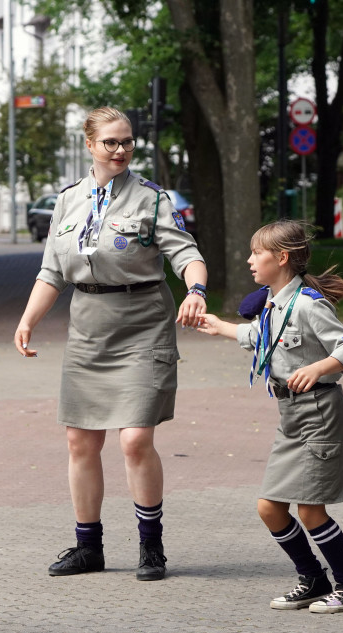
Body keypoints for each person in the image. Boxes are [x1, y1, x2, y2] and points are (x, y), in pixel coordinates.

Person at [14, 106, 207, 581]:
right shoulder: (69, 199)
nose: (121, 150)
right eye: (110, 143)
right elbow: (52, 272)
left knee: (136, 438)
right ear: (90, 146)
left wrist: (196, 290)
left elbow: (187, 255)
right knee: (80, 441)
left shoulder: (153, 199)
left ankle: (151, 544)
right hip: (88, 326)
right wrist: (28, 320)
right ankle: (88, 547)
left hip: (143, 320)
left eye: (127, 142)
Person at [196, 220, 343, 614]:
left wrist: (320, 367)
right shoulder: (274, 302)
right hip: (289, 416)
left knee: (310, 508)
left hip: (319, 414)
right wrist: (220, 327)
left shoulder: (308, 304)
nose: (249, 259)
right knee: (270, 507)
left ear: (282, 258)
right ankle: (313, 579)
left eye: (257, 253)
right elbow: (262, 338)